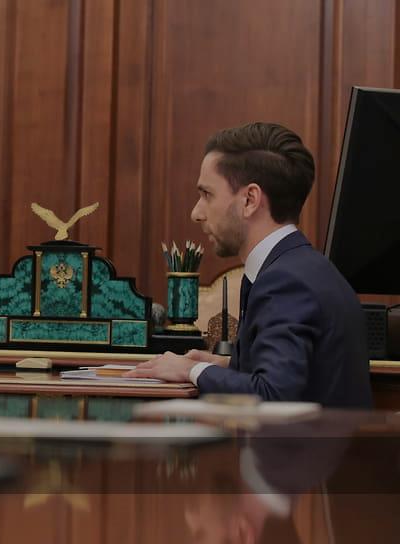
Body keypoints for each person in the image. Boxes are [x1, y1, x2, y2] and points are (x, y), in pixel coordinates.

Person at [126, 122, 372, 408]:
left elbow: (273, 394)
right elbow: (300, 377)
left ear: (250, 200)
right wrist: (226, 365)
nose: (196, 213)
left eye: (207, 194)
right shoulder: (303, 268)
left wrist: (192, 370)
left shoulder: (285, 282)